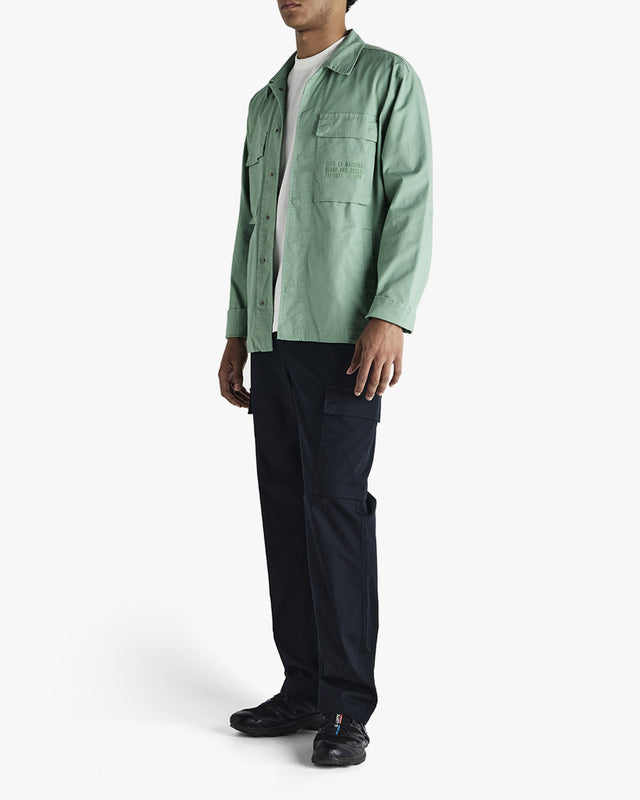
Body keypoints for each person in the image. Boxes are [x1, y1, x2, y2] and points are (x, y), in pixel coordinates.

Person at [218, 0, 433, 767]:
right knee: (284, 513)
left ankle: (345, 706)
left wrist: (391, 314)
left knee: (335, 510)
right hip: (272, 340)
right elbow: (251, 222)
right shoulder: (265, 99)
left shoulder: (385, 80)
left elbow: (410, 202)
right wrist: (238, 330)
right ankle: (303, 685)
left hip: (344, 338)